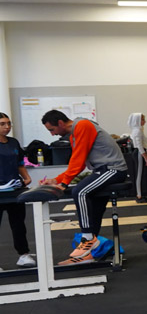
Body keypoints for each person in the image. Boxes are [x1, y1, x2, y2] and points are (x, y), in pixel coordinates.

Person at [40, 110, 129, 265]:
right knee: (93, 206)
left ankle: (87, 238)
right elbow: (78, 163)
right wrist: (57, 180)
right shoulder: (75, 132)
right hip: (102, 170)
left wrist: (64, 183)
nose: (52, 135)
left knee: (79, 191)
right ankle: (88, 254)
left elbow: (79, 160)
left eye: (52, 130)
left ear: (60, 123)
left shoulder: (82, 125)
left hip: (114, 169)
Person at [0, 112, 35, 267]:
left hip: (15, 190)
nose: (7, 127)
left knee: (19, 224)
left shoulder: (13, 142)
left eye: (8, 123)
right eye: (2, 124)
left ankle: (24, 254)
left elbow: (20, 163)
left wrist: (26, 177)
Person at [127, 112, 147, 204]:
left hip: (140, 153)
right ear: (137, 120)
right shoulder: (137, 130)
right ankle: (139, 196)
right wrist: (145, 157)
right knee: (139, 175)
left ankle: (140, 194)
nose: (144, 121)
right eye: (143, 119)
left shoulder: (138, 130)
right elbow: (139, 145)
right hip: (139, 153)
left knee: (141, 174)